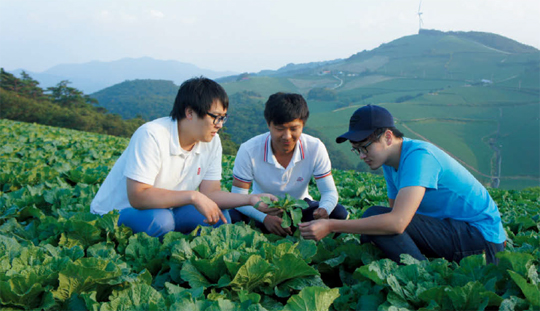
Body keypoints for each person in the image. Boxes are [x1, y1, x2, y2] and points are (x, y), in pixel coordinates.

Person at [299, 104, 506, 264]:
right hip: (454, 233)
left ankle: (424, 280)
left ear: (388, 137)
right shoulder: (391, 163)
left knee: (375, 218)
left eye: (365, 147)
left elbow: (397, 223)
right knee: (374, 224)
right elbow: (393, 217)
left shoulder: (419, 157)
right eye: (357, 150)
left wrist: (332, 225)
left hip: (482, 242)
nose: (362, 156)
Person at [90, 77, 276, 237]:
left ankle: (176, 244)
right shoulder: (151, 135)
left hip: (168, 209)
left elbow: (211, 193)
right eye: (215, 117)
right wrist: (193, 196)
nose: (219, 125)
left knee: (219, 218)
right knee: (161, 221)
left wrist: (252, 199)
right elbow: (138, 197)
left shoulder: (212, 142)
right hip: (117, 212)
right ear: (189, 113)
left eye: (223, 118)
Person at [229, 92, 348, 236]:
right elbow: (238, 195)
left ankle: (302, 230)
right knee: (231, 216)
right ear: (268, 124)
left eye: (294, 128)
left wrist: (324, 211)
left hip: (299, 207)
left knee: (339, 213)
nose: (287, 136)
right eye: (280, 129)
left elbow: (329, 192)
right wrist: (265, 217)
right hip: (261, 208)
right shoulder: (249, 149)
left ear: (303, 125)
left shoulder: (315, 147)